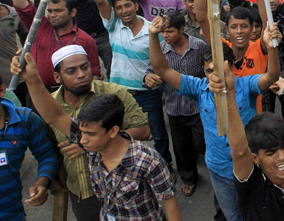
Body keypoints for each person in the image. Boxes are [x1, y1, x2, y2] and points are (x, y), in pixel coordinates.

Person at [11, 54, 182, 221]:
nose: (82, 141)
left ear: (113, 131)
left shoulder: (148, 161)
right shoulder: (94, 150)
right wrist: (32, 79)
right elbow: (54, 116)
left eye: (90, 135)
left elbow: (170, 205)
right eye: (82, 134)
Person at [149, 14, 281, 220]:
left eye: (219, 69)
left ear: (231, 66)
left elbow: (272, 76)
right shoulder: (198, 89)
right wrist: (152, 36)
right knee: (231, 215)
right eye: (209, 70)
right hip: (218, 169)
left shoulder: (246, 86)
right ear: (203, 69)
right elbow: (162, 69)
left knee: (257, 211)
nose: (214, 75)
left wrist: (271, 47)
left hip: (250, 165)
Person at [209, 46, 284, 220]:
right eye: (271, 153)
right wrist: (229, 93)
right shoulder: (250, 184)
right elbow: (240, 151)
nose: (282, 157)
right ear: (255, 158)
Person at [79, 0, 173, 167]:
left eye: (127, 5)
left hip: (147, 93)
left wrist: (158, 79)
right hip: (119, 92)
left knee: (157, 134)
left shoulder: (152, 29)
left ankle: (165, 166)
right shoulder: (113, 26)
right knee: (120, 135)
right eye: (119, 8)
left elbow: (162, 61)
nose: (124, 11)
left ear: (136, 6)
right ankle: (128, 168)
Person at [45, 45, 150, 220]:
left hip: (122, 184)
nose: (81, 74)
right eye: (72, 71)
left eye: (85, 67)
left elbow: (143, 130)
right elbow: (51, 147)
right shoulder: (50, 107)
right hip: (81, 191)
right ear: (57, 77)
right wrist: (52, 178)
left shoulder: (114, 93)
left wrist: (92, 146)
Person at [3, 0, 101, 88]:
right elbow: (20, 3)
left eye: (58, 11)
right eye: (50, 11)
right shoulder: (40, 26)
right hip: (40, 92)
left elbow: (94, 74)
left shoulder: (86, 40)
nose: (52, 15)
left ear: (72, 12)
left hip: (73, 96)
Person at [146, 12, 206, 197]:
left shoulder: (199, 46)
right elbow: (150, 70)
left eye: (169, 31)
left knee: (201, 144)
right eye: (163, 32)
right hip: (174, 107)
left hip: (198, 107)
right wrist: (149, 78)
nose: (165, 36)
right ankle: (188, 178)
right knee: (181, 147)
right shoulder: (160, 50)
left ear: (182, 29)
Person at [0, 72, 57, 221]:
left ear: (1, 91)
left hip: (13, 215)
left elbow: (46, 154)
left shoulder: (25, 120)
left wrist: (42, 182)